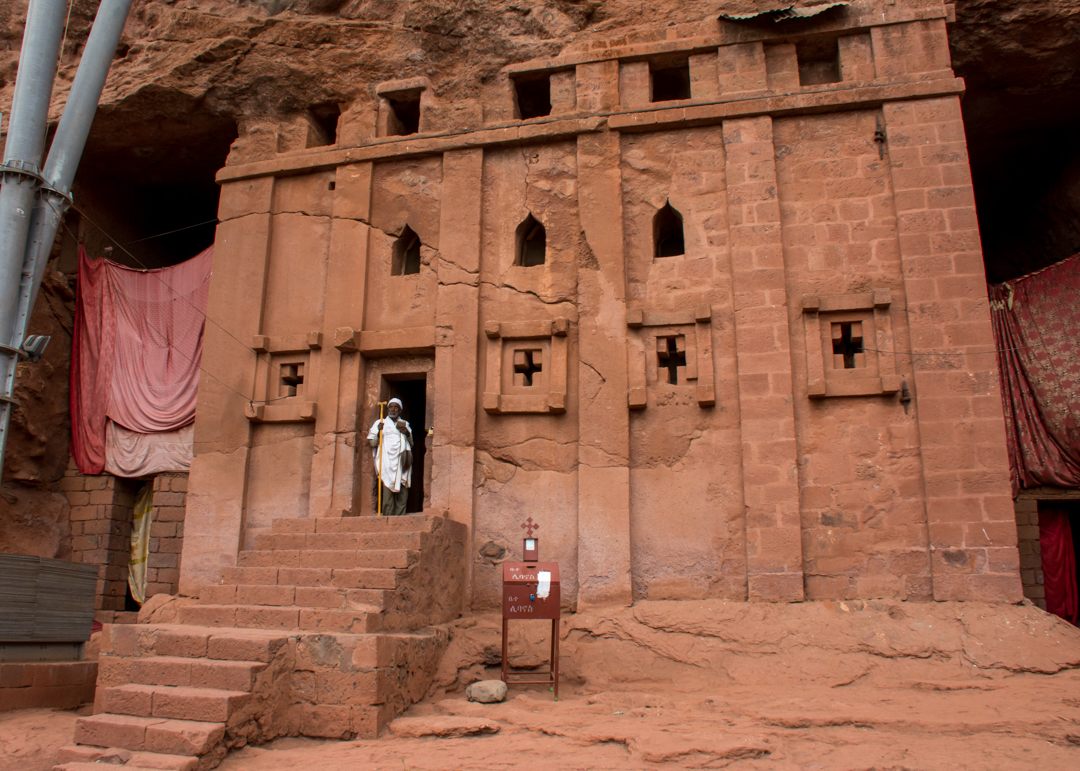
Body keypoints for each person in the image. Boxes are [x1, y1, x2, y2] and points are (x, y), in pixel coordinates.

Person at [367, 398, 412, 516]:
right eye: (391, 407)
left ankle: (400, 520)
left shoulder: (405, 424)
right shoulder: (380, 423)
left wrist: (407, 433)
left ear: (400, 410)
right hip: (387, 462)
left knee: (402, 494)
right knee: (387, 494)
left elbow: (411, 443)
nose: (393, 409)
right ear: (387, 409)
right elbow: (372, 443)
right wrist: (378, 432)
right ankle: (388, 520)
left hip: (402, 461)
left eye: (396, 407)